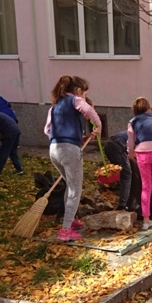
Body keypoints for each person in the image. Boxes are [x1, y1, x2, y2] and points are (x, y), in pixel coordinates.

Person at [43, 75, 102, 242]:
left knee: (70, 186)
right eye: (84, 94)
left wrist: (79, 139)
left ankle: (70, 219)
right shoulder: (75, 100)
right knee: (75, 190)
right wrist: (99, 125)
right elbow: (89, 111)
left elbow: (47, 130)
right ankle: (65, 230)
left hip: (54, 149)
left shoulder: (55, 107)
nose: (84, 97)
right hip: (69, 152)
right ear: (78, 90)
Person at [128, 97, 152, 230]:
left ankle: (146, 219)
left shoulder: (133, 122)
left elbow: (130, 140)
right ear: (149, 108)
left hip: (142, 154)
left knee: (146, 186)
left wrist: (130, 153)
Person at [104, 131, 134, 212]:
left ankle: (121, 198)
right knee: (126, 174)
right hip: (118, 145)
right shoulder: (141, 136)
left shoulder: (134, 131)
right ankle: (122, 205)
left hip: (108, 144)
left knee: (120, 171)